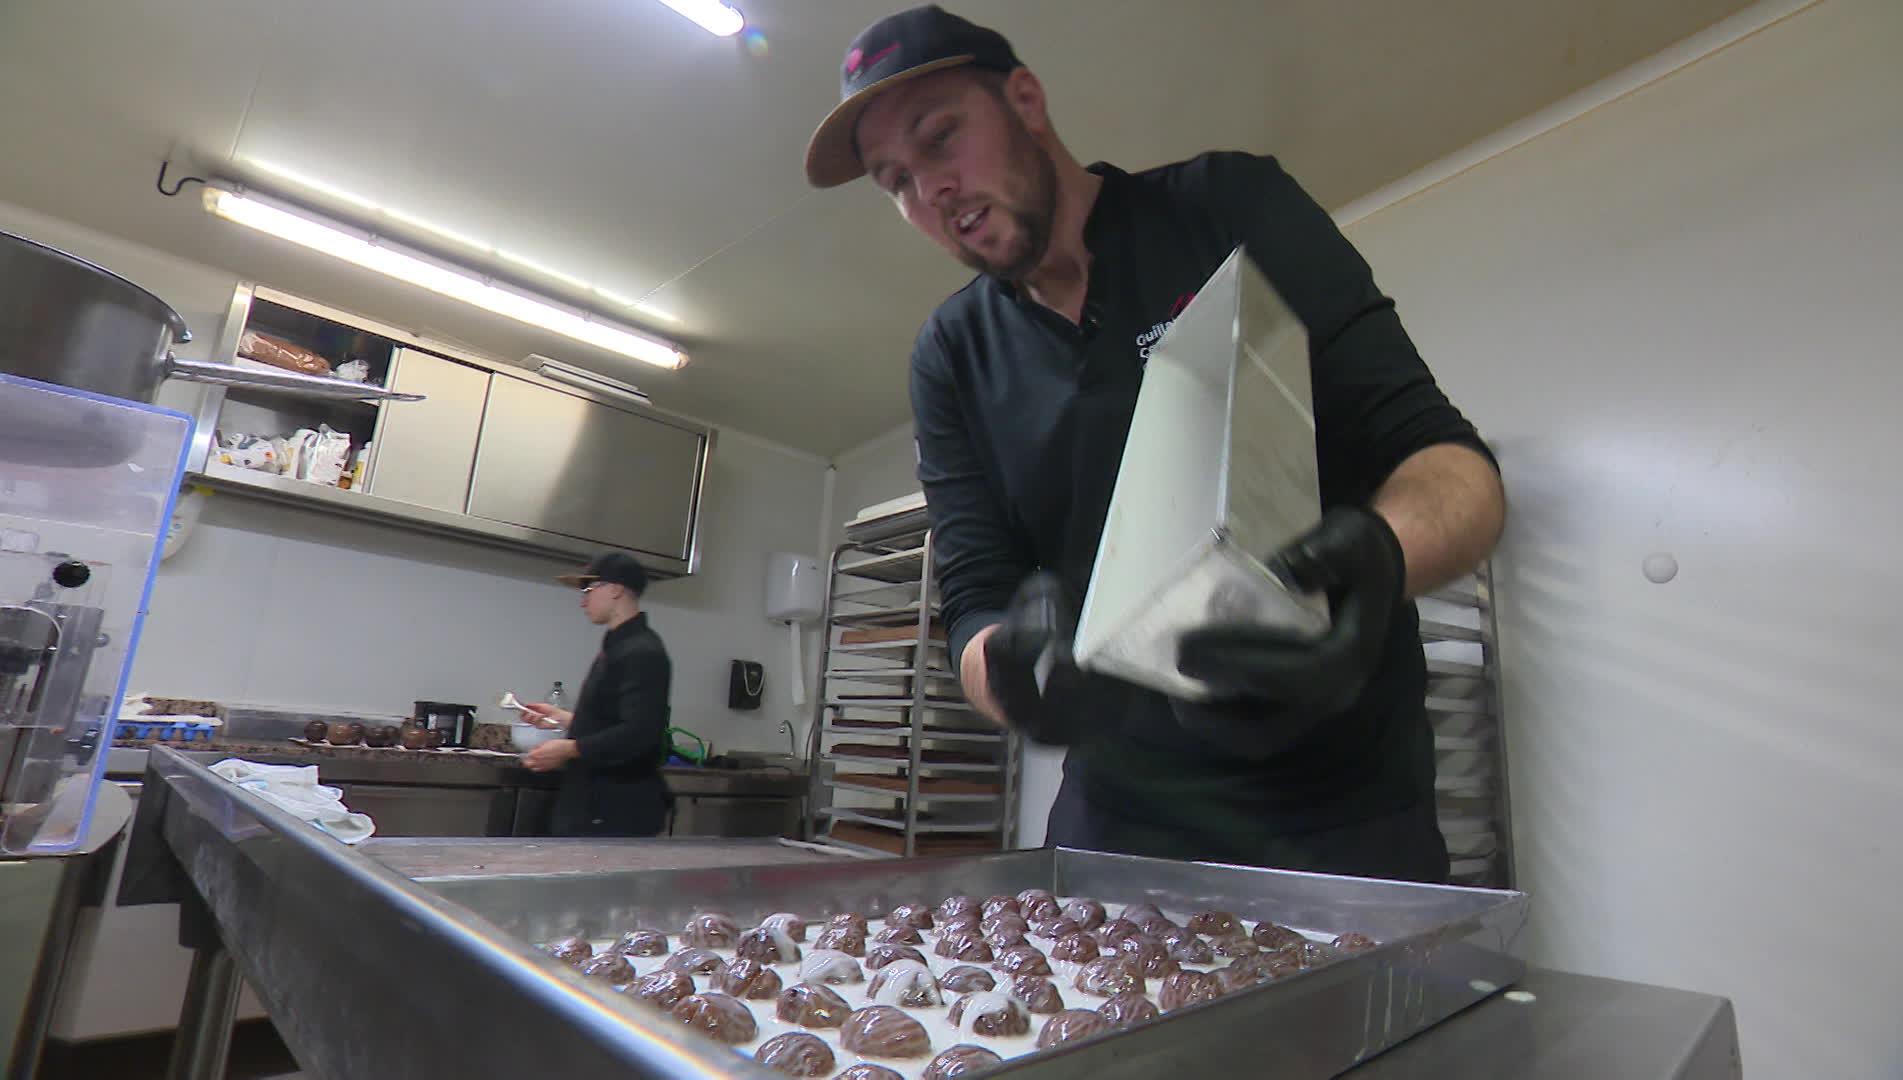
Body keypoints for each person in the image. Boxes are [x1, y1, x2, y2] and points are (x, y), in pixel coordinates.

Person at [803, 6, 1507, 882]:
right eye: (895, 181)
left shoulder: (1227, 209)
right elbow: (976, 607)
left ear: (1025, 100)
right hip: (1120, 813)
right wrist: (1013, 674)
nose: (930, 192)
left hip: (1345, 801)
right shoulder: (951, 358)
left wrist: (1379, 561)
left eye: (941, 138)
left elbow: (1450, 465)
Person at [519, 552, 673, 837]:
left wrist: (569, 748)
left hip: (616, 808)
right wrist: (564, 719)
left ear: (615, 589)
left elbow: (639, 733)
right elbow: (615, 719)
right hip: (594, 803)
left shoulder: (642, 652)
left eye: (589, 589)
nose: (583, 600)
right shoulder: (619, 645)